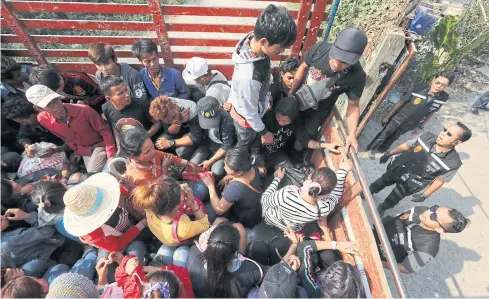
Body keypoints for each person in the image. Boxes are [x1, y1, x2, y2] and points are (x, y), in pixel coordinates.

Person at [288, 28, 368, 152]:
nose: (336, 64)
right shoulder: (320, 49)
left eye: (345, 62)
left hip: (318, 112)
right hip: (300, 97)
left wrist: (352, 133)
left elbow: (353, 105)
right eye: (336, 56)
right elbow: (303, 67)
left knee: (300, 144)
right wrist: (291, 92)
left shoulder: (357, 76)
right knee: (287, 125)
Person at [228, 4, 297, 148]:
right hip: (246, 120)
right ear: (264, 42)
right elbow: (250, 113)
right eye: (279, 48)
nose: (282, 51)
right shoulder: (249, 78)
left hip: (255, 103)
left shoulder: (253, 41)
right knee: (246, 142)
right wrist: (265, 133)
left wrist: (266, 97)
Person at [370, 123, 472, 214]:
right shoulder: (426, 137)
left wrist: (425, 195)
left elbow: (439, 181)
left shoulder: (453, 163)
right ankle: (368, 191)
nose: (442, 133)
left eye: (449, 134)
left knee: (395, 197)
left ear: (457, 142)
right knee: (381, 181)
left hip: (412, 182)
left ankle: (382, 208)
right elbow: (407, 145)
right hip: (398, 168)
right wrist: (390, 153)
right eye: (444, 130)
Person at [62, 173, 148, 267]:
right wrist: (141, 225)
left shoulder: (111, 191)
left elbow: (124, 192)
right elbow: (118, 245)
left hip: (132, 221)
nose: (118, 201)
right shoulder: (94, 233)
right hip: (124, 237)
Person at [25, 85, 116, 173]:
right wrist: (72, 151)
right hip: (84, 151)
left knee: (92, 172)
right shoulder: (43, 119)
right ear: (37, 108)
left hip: (100, 145)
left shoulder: (84, 110)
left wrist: (111, 154)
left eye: (55, 100)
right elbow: (66, 138)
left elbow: (105, 131)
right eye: (48, 104)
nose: (56, 106)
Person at [368, 72, 455, 158]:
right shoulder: (419, 88)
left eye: (443, 85)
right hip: (398, 118)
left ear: (446, 86)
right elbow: (401, 102)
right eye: (437, 82)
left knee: (395, 137)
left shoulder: (443, 97)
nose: (439, 86)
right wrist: (388, 116)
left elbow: (432, 112)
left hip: (411, 124)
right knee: (384, 133)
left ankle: (382, 149)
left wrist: (420, 126)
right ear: (433, 80)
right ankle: (371, 149)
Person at [261, 155, 351, 232]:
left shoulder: (288, 193)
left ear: (310, 176)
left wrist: (277, 179)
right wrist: (342, 172)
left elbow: (264, 200)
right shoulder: (324, 208)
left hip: (271, 219)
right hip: (291, 228)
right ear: (327, 194)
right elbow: (336, 196)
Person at [252, 96, 342, 172]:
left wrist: (325, 145)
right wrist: (259, 164)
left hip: (276, 154)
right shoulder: (267, 117)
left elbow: (304, 140)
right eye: (278, 118)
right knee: (258, 174)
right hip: (260, 154)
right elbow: (254, 147)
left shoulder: (296, 121)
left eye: (285, 121)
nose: (281, 122)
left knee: (291, 171)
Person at [373, 205, 470, 274]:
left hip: (377, 253)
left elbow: (406, 268)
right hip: (373, 232)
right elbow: (399, 215)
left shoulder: (428, 249)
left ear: (440, 229)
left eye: (433, 217)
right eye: (434, 208)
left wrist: (375, 260)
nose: (428, 212)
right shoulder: (420, 209)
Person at [131, 177, 210, 261]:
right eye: (181, 194)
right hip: (185, 237)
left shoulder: (150, 207)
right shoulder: (183, 227)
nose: (182, 192)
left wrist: (177, 192)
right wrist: (193, 203)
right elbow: (206, 225)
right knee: (209, 205)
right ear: (177, 206)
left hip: (168, 237)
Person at [188, 223, 266, 298]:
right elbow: (268, 276)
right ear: (236, 251)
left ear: (209, 244)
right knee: (258, 247)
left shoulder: (193, 257)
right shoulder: (252, 269)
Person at [118, 128, 201, 197]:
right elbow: (160, 194)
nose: (153, 151)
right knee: (203, 189)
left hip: (169, 180)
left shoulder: (150, 153)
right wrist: (165, 169)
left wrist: (190, 164)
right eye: (147, 152)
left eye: (152, 146)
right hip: (166, 198)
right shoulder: (138, 178)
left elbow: (169, 157)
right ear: (134, 157)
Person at [200, 147, 263, 227]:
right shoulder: (251, 165)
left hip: (247, 215)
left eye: (227, 167)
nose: (224, 168)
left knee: (209, 213)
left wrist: (210, 186)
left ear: (239, 172)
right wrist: (229, 177)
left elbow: (219, 210)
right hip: (255, 204)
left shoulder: (236, 187)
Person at [100, 76, 161, 144]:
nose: (127, 95)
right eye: (120, 93)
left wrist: (146, 136)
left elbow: (157, 123)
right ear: (108, 98)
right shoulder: (105, 108)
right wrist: (119, 147)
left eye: (126, 90)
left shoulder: (141, 103)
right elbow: (115, 128)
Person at [296, 239, 363, 298]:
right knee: (328, 255)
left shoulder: (313, 289)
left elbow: (304, 247)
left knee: (326, 255)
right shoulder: (314, 291)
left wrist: (337, 245)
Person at [111, 252, 195, 298]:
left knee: (166, 250)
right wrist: (161, 268)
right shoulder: (185, 294)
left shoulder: (133, 290)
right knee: (181, 251)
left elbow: (119, 277)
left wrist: (125, 263)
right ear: (179, 285)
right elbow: (183, 272)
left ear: (143, 283)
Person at [191, 96, 237, 178]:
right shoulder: (197, 113)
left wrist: (211, 161)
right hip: (207, 142)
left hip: (223, 146)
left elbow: (227, 145)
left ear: (219, 109)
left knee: (217, 172)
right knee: (192, 166)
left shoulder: (228, 118)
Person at [28, 64, 105, 110]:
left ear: (60, 77)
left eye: (58, 88)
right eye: (53, 92)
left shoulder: (78, 79)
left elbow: (101, 95)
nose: (57, 93)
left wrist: (86, 102)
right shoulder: (45, 90)